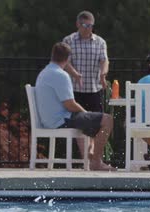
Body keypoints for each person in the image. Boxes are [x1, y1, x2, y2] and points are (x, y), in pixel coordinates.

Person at [35, 42, 115, 171]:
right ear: (67, 59)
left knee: (84, 122)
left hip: (50, 119)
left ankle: (90, 158)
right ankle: (96, 162)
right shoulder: (60, 75)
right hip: (60, 120)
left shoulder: (44, 73)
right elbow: (70, 105)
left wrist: (86, 116)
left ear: (52, 56)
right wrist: (86, 113)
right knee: (107, 120)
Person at [63, 10, 108, 113]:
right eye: (85, 25)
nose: (88, 28)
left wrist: (103, 74)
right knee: (76, 124)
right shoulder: (68, 40)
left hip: (95, 90)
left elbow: (104, 60)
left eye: (90, 25)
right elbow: (65, 62)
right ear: (77, 24)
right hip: (74, 91)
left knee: (98, 122)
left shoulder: (100, 42)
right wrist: (75, 75)